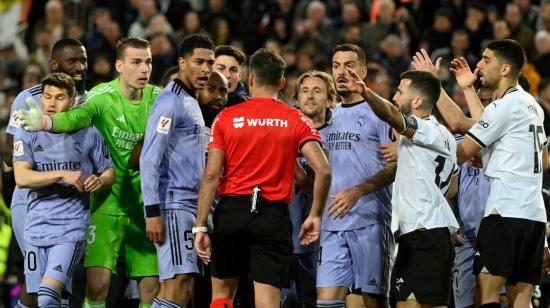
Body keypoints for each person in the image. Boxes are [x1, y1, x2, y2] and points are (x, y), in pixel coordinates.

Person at [19, 37, 161, 308]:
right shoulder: (101, 97)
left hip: (143, 204)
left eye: (148, 62)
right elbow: (75, 118)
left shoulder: (159, 99)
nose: (144, 69)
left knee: (151, 288)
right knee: (97, 287)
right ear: (119, 65)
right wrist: (47, 122)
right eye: (136, 62)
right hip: (105, 203)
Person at [193, 48, 331, 308]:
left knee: (221, 295)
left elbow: (211, 176)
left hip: (232, 212)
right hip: (272, 215)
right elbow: (323, 170)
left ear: (250, 80)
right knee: (267, 301)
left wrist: (201, 225)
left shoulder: (226, 117)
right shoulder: (295, 118)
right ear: (281, 83)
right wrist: (315, 215)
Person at [432, 39, 548, 307]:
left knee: (487, 293)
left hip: (504, 210)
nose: (480, 65)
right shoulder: (533, 106)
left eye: (486, 60)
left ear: (505, 68)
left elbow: (462, 147)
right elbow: (498, 142)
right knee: (521, 298)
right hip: (533, 215)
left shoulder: (503, 106)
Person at [344, 68, 459, 307]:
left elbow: (391, 117)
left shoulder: (424, 128)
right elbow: (453, 186)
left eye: (400, 91)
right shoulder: (445, 136)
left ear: (417, 101)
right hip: (430, 231)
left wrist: (366, 93)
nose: (395, 97)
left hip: (424, 232)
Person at [13, 72, 115, 307]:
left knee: (49, 296)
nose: (51, 103)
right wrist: (61, 174)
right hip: (35, 227)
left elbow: (109, 172)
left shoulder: (88, 132)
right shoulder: (27, 131)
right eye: (47, 96)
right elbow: (21, 176)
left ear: (71, 102)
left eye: (59, 97)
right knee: (32, 300)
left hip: (70, 228)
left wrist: (100, 181)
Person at [5, 37, 88, 308]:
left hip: (74, 204)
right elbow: (9, 156)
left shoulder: (90, 102)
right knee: (36, 289)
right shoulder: (28, 99)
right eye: (72, 60)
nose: (80, 66)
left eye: (83, 60)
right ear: (54, 64)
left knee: (63, 288)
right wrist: (41, 138)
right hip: (31, 201)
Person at [317, 43, 395, 308]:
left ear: (362, 71)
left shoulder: (380, 113)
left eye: (349, 66)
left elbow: (394, 167)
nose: (341, 72)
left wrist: (357, 192)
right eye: (336, 65)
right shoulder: (331, 116)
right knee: (326, 302)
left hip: (370, 221)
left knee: (373, 301)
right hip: (333, 223)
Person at [140, 33, 215, 308]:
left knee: (182, 284)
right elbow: (149, 159)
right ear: (182, 62)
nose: (206, 69)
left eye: (210, 62)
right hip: (173, 204)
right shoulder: (169, 101)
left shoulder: (190, 101)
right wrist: (153, 213)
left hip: (190, 205)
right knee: (177, 285)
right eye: (199, 62)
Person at [283, 70, 337, 308]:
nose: (310, 97)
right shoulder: (284, 132)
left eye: (317, 91)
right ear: (296, 99)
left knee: (314, 301)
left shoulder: (338, 136)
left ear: (330, 99)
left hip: (323, 238)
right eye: (304, 91)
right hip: (284, 234)